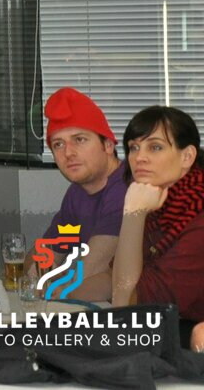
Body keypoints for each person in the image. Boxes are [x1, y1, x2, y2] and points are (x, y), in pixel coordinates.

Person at [111, 106, 204, 325]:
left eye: (155, 147)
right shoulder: (158, 203)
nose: (139, 158)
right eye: (134, 147)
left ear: (187, 156)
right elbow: (115, 278)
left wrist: (133, 214)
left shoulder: (198, 215)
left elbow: (126, 305)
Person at [30, 87, 124, 300]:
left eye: (79, 139)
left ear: (108, 145)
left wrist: (45, 282)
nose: (68, 153)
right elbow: (45, 257)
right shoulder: (77, 192)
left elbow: (88, 272)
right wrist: (37, 276)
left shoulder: (126, 187)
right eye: (58, 144)